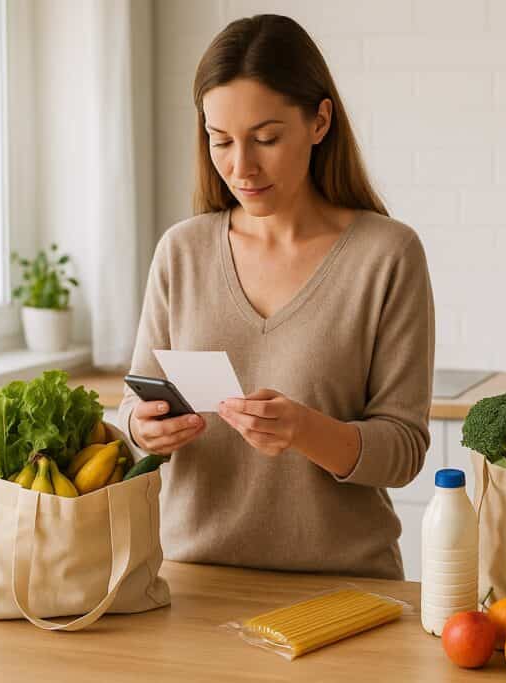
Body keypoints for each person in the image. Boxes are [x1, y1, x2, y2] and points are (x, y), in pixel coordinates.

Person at [117, 14, 434, 580]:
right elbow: (133, 412)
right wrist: (145, 431)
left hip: (344, 591)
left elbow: (404, 450)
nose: (242, 167)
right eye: (221, 141)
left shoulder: (387, 254)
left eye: (266, 138)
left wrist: (307, 432)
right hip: (189, 583)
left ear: (319, 121)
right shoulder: (181, 251)